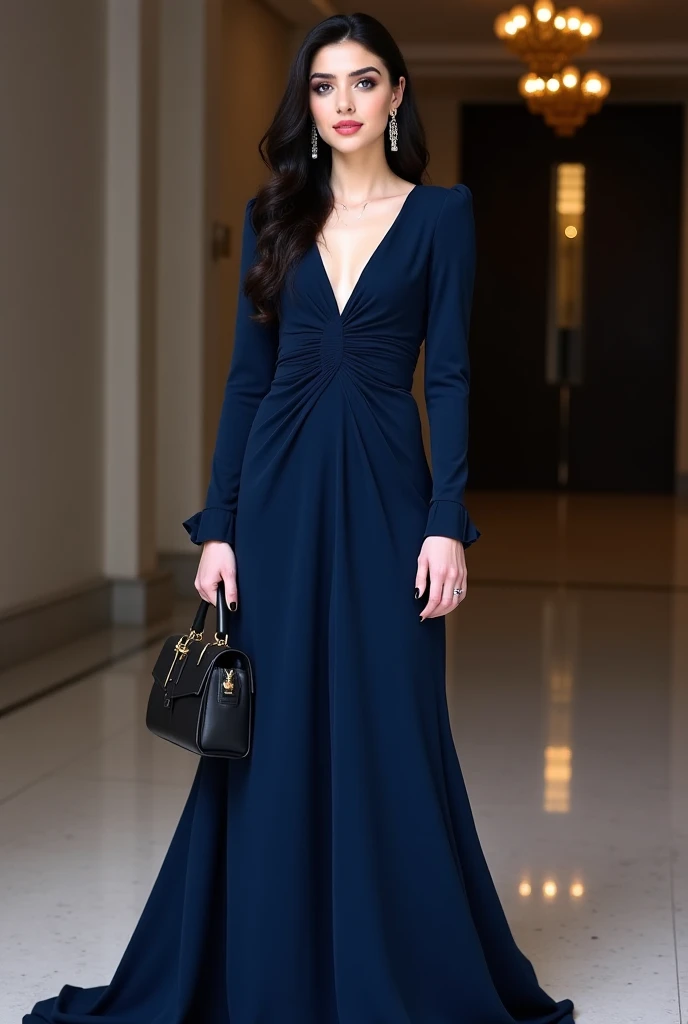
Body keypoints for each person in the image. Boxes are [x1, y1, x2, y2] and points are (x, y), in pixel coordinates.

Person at [25, 12, 575, 1024]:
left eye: (365, 83)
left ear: (398, 95)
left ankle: (393, 965)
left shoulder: (442, 214)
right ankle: (268, 961)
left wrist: (446, 519)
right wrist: (219, 525)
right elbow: (247, 384)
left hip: (385, 494)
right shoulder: (272, 216)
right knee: (268, 731)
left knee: (392, 723)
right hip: (275, 497)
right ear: (306, 105)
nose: (345, 105)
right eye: (324, 87)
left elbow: (447, 376)